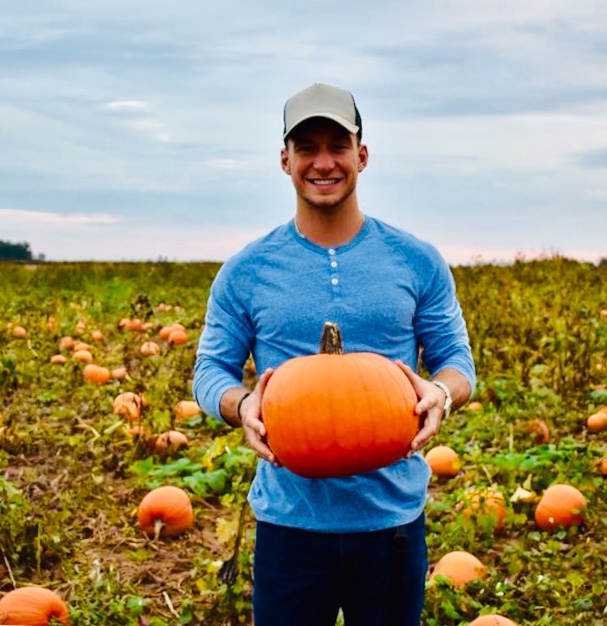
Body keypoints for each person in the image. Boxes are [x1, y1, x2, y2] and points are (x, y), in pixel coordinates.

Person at [193, 82, 475, 626]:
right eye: (307, 148)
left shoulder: (416, 261)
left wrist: (439, 392)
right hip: (290, 525)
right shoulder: (247, 271)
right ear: (285, 160)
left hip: (391, 523)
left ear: (361, 155)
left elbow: (457, 363)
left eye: (337, 146)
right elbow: (210, 370)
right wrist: (240, 405)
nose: (323, 162)